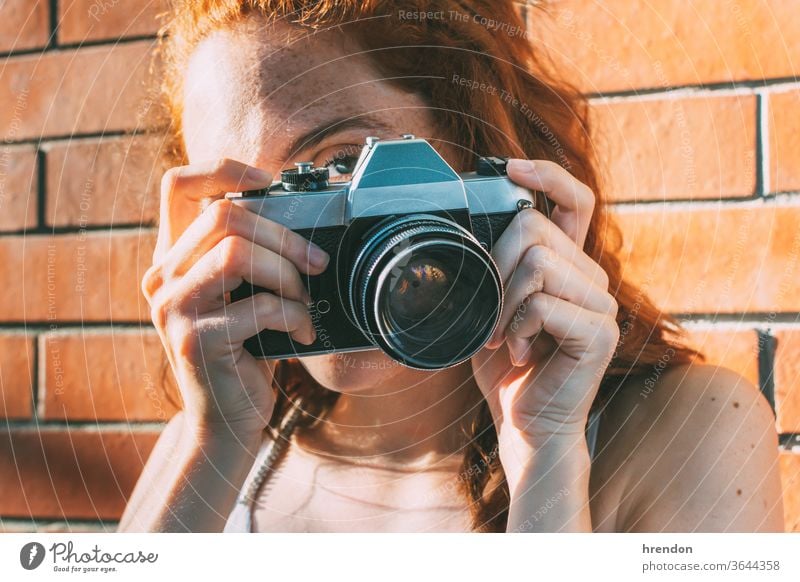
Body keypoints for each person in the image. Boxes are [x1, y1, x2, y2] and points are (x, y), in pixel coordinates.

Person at [118, 0, 783, 533]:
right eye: (250, 198)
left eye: (341, 163)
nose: (294, 236)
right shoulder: (208, 444)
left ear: (473, 149)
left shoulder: (691, 434)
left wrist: (544, 458)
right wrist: (218, 443)